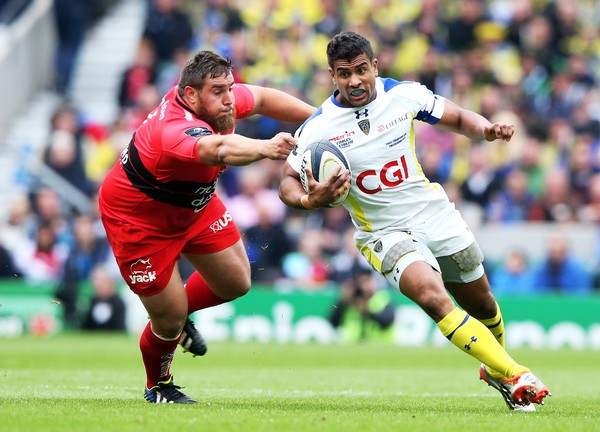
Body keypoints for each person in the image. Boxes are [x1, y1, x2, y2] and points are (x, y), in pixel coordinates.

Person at [278, 31, 550, 411]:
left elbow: (455, 117)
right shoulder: (319, 127)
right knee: (432, 295)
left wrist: (484, 129)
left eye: (361, 70)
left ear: (374, 66)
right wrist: (310, 198)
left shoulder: (403, 95)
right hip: (383, 233)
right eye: (344, 74)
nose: (354, 80)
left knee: (483, 302)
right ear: (332, 76)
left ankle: (496, 368)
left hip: (432, 212)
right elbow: (286, 184)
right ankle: (516, 373)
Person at [98, 50, 315, 404]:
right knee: (167, 321)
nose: (229, 97)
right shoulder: (173, 130)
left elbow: (261, 97)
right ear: (191, 94)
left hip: (191, 205)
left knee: (236, 282)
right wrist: (266, 147)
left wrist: (324, 120)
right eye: (219, 90)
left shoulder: (216, 101)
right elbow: (219, 148)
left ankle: (183, 313)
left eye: (229, 87)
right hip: (139, 222)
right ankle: (159, 385)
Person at [329, 265, 395, 344]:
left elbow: (386, 322)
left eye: (367, 281)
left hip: (379, 345)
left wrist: (367, 311)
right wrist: (343, 301)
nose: (364, 286)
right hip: (352, 345)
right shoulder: (350, 301)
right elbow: (333, 322)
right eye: (361, 283)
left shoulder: (382, 298)